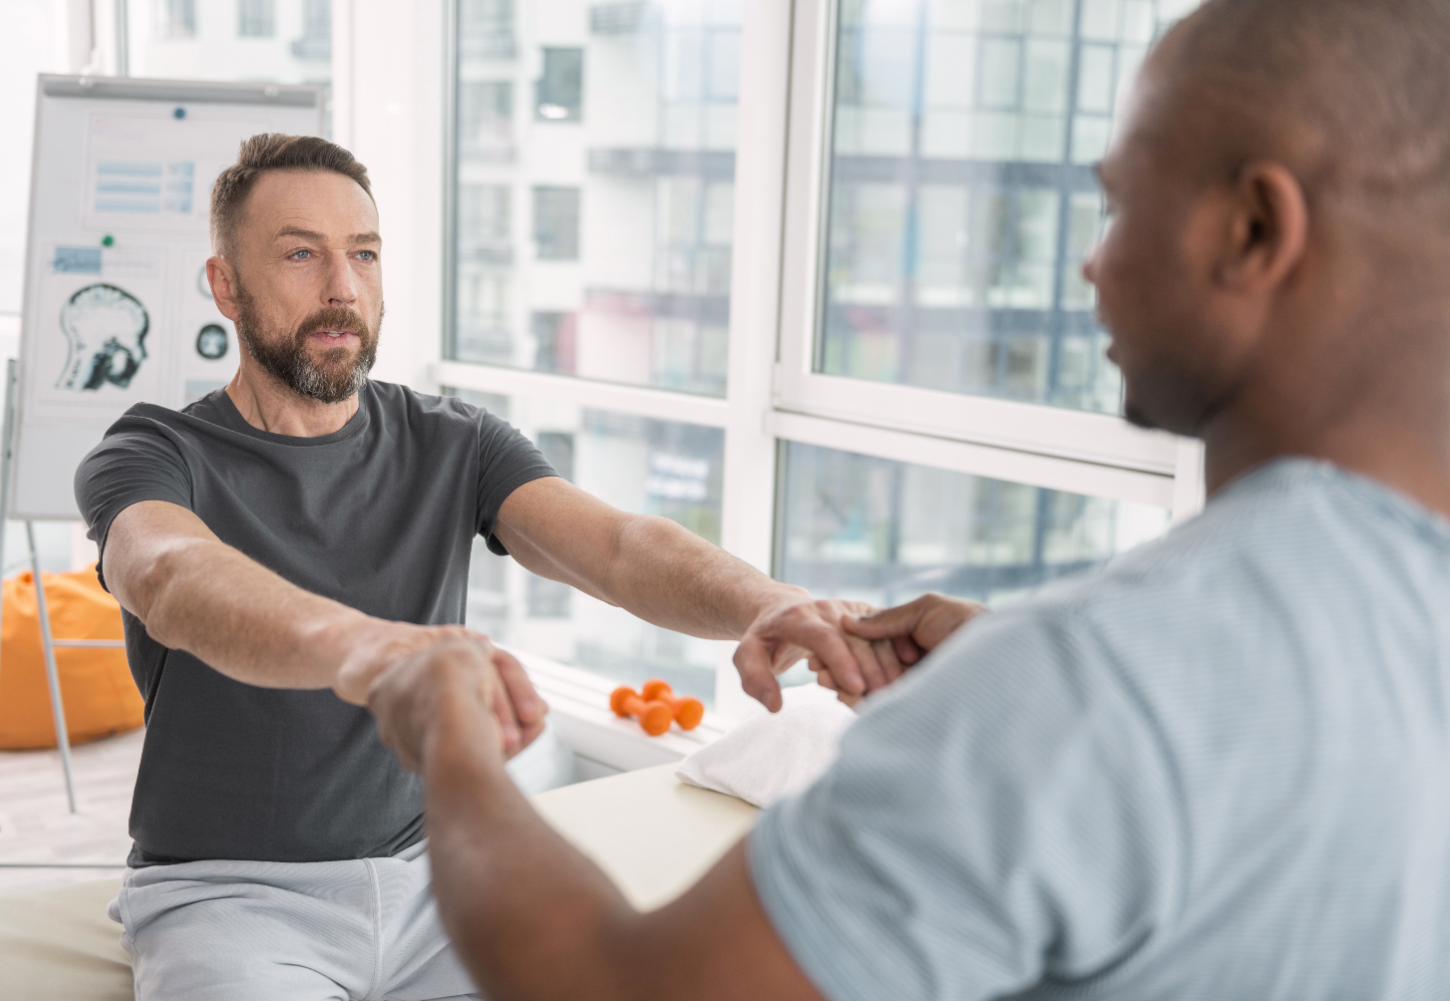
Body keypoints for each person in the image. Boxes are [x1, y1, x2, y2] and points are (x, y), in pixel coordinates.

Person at [350, 0, 1450, 997]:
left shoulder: (1092, 683)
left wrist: (449, 733)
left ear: (1253, 230)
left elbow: (606, 984)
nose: (1092, 268)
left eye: (1119, 207)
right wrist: (1013, 674)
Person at [75, 133, 893, 999]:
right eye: (300, 254)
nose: (342, 287)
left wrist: (769, 602)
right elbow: (168, 575)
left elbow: (616, 545)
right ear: (226, 287)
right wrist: (377, 651)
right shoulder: (154, 450)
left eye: (364, 254)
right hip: (232, 898)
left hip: (438, 878)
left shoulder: (453, 440)